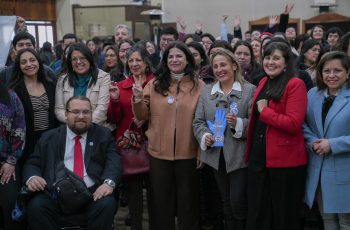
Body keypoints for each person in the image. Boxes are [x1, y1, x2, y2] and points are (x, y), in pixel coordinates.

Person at [132, 41, 205, 229]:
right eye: (170, 56)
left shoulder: (201, 87)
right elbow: (141, 116)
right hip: (159, 154)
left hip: (189, 153)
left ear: (188, 60)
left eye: (179, 56)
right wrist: (138, 98)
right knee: (161, 204)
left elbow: (205, 122)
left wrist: (201, 152)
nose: (174, 59)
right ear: (165, 61)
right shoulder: (154, 85)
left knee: (188, 205)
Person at [23, 96, 121, 230]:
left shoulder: (103, 135)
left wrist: (108, 183)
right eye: (75, 112)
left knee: (107, 204)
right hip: (56, 193)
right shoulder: (50, 137)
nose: (81, 116)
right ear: (66, 114)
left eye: (86, 112)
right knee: (37, 206)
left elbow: (114, 161)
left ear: (92, 114)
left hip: (92, 194)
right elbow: (33, 162)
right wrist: (33, 177)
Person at [245, 42, 308, 230]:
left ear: (286, 62)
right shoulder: (263, 81)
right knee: (259, 211)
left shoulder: (295, 84)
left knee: (283, 215)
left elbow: (293, 124)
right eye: (267, 57)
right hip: (259, 157)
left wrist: (265, 112)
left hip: (285, 162)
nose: (270, 62)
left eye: (276, 58)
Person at [193, 48, 255, 230]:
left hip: (239, 157)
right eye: (215, 66)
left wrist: (238, 123)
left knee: (238, 201)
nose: (219, 69)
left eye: (223, 65)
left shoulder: (249, 90)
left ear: (234, 66)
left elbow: (255, 123)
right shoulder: (206, 92)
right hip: (216, 156)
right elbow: (198, 121)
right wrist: (205, 136)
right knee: (226, 201)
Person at [108, 46, 154, 230]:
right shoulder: (121, 86)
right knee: (134, 193)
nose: (134, 64)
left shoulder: (156, 84)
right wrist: (115, 100)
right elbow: (113, 118)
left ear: (146, 62)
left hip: (154, 144)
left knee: (155, 192)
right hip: (129, 146)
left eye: (138, 60)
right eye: (131, 61)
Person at [303, 51, 350, 230]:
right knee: (328, 220)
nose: (331, 75)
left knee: (346, 222)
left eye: (337, 70)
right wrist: (312, 141)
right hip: (320, 170)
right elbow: (303, 124)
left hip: (345, 168)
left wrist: (332, 144)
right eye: (326, 71)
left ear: (348, 72)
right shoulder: (313, 94)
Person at [8, 48, 57, 166]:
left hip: (50, 141)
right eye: (24, 62)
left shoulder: (51, 85)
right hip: (26, 144)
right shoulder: (14, 90)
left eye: (32, 60)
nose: (29, 64)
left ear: (38, 62)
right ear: (19, 66)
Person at [55, 43, 111, 129]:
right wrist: (73, 124)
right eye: (74, 59)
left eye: (82, 58)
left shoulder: (103, 77)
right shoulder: (62, 80)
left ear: (89, 59)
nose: (78, 62)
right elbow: (59, 110)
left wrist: (82, 124)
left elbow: (102, 109)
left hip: (96, 129)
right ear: (70, 62)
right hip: (70, 129)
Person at [0, 81, 26, 230]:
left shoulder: (10, 96)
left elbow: (19, 128)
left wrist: (11, 160)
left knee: (10, 203)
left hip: (6, 163)